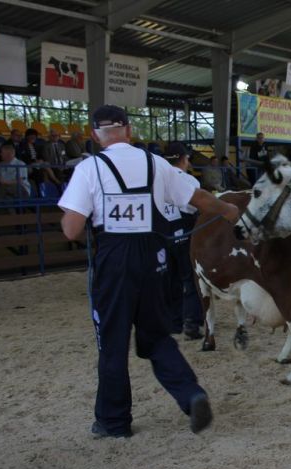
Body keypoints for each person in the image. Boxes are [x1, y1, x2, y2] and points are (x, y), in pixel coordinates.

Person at [58, 105, 239, 438]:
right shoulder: (155, 163)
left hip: (114, 262)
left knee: (112, 344)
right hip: (154, 258)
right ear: (128, 130)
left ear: (96, 135)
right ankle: (191, 394)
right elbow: (197, 196)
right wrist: (228, 208)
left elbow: (71, 229)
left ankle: (113, 422)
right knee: (156, 337)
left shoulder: (89, 168)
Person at [162, 142, 205, 340]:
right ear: (183, 159)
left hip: (162, 235)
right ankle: (191, 322)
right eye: (187, 158)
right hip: (185, 233)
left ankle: (172, 321)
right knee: (190, 278)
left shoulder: (156, 179)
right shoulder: (189, 181)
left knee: (169, 278)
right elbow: (195, 207)